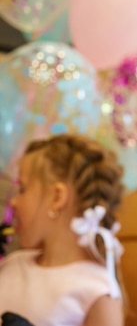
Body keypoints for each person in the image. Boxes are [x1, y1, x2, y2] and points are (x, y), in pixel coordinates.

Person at [0, 134, 126, 326]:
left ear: (57, 197)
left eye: (23, 189)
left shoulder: (96, 292)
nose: (14, 202)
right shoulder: (13, 264)